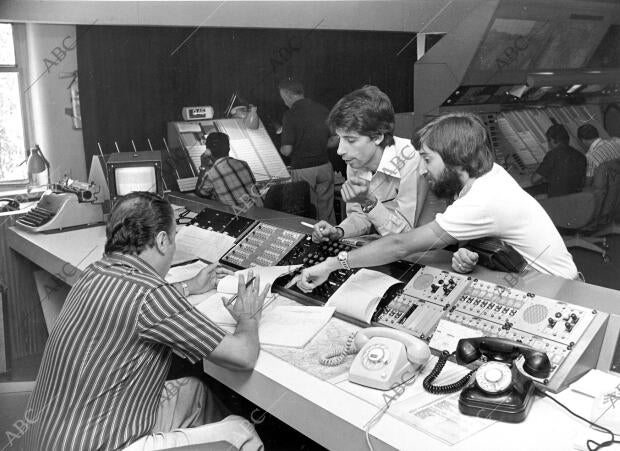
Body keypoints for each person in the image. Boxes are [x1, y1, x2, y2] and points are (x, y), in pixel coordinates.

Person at [24, 192, 269, 451]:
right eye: (174, 238)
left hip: (49, 437)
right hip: (102, 445)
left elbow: (134, 302)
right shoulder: (153, 295)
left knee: (193, 392)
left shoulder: (93, 273)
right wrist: (248, 317)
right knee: (242, 432)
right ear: (162, 240)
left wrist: (190, 286)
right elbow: (243, 356)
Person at [297, 112, 579, 293]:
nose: (424, 169)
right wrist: (469, 252)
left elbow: (400, 244)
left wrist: (332, 264)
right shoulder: (484, 175)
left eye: (428, 159)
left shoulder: (483, 197)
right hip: (525, 277)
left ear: (455, 156)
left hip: (559, 291)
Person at [311, 85, 429, 243]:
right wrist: (339, 231)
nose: (340, 151)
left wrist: (369, 201)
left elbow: (406, 236)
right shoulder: (355, 160)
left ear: (378, 136)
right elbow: (361, 216)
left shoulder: (411, 159)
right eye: (340, 139)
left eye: (350, 140)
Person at [278, 78, 336, 223]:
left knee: (308, 211)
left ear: (287, 95)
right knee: (326, 210)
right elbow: (335, 139)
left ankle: (312, 242)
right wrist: (319, 146)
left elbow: (287, 150)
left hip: (303, 169)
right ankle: (330, 241)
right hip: (325, 166)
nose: (284, 102)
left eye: (283, 97)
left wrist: (280, 148)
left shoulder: (290, 114)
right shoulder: (322, 109)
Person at [195, 131, 263, 208]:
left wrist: (203, 167)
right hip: (260, 212)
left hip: (239, 217)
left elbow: (200, 194)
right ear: (229, 148)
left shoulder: (210, 174)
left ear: (208, 152)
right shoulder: (243, 164)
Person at [531, 123, 586, 197]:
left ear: (552, 140)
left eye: (549, 141)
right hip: (575, 198)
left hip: (557, 200)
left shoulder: (552, 155)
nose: (549, 144)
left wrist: (540, 171)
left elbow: (534, 179)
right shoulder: (580, 156)